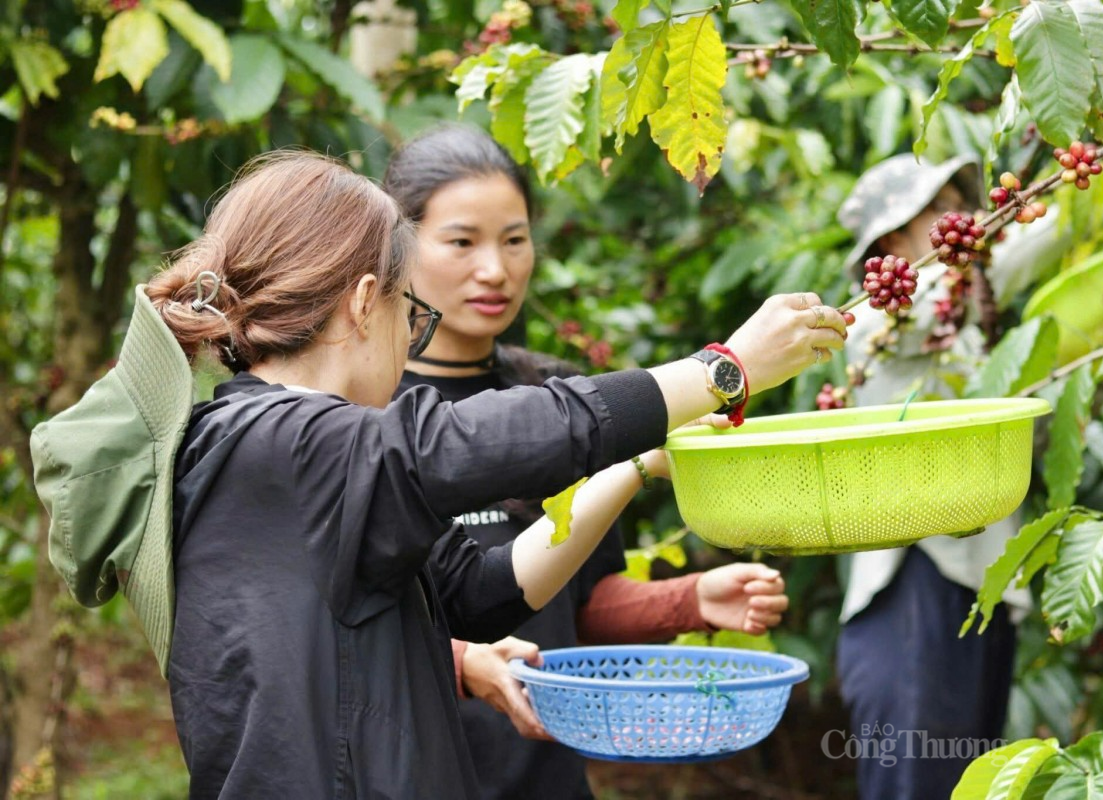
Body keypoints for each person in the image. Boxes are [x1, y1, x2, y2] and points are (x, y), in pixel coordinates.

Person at [30, 151, 848, 799]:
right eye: (408, 311)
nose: (409, 336)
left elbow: (483, 590)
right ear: (364, 303)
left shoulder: (301, 461)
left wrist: (633, 462)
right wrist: (723, 369)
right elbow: (475, 441)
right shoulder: (273, 444)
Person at [385, 125, 792, 799]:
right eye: (461, 242)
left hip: (545, 774)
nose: (496, 270)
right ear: (398, 247)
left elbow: (578, 604)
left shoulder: (566, 402)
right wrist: (459, 662)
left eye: (514, 240)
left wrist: (690, 599)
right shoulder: (367, 414)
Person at [833, 154, 1032, 800]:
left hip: (980, 586)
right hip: (911, 591)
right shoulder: (878, 323)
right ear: (895, 235)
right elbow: (937, 304)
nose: (964, 218)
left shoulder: (963, 323)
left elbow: (1007, 267)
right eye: (941, 207)